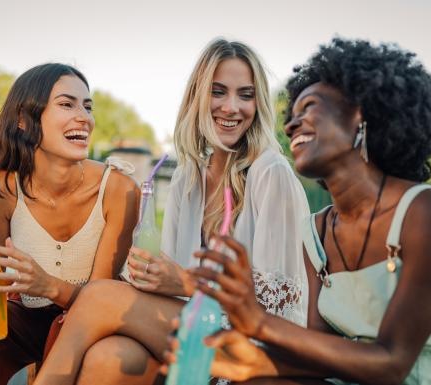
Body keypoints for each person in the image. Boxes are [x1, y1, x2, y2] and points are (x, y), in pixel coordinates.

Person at [167, 38, 431, 385]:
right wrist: (254, 363)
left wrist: (257, 322)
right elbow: (319, 352)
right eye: (293, 115)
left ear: (360, 117)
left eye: (309, 108)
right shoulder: (318, 231)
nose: (291, 125)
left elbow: (393, 362)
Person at [33, 38, 310, 385]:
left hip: (249, 348)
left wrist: (185, 281)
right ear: (198, 96)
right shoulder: (188, 176)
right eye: (218, 92)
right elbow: (172, 279)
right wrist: (148, 275)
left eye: (246, 95)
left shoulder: (271, 173)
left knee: (99, 296)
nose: (231, 107)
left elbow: (278, 306)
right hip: (192, 327)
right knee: (107, 359)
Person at [0, 63, 140, 385]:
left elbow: (103, 300)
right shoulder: (0, 187)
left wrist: (50, 286)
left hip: (94, 321)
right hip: (26, 314)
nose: (84, 116)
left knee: (66, 333)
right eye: (67, 104)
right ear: (24, 120)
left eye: (87, 106)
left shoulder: (120, 188)